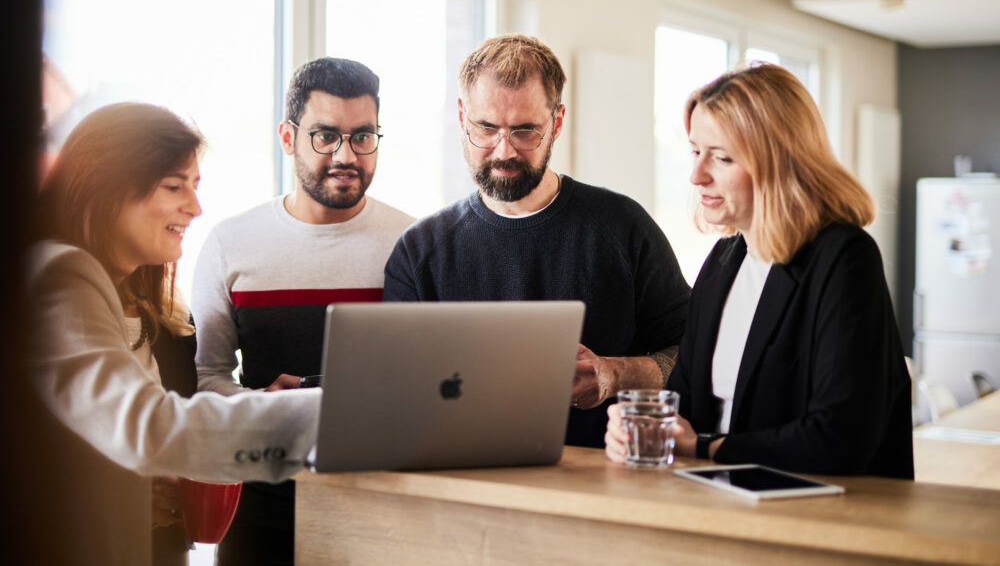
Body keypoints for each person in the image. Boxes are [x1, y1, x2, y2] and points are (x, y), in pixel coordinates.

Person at [29, 103, 322, 566]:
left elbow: (130, 433)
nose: (195, 206)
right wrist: (326, 415)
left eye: (195, 185)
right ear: (106, 185)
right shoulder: (60, 275)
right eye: (174, 185)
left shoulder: (154, 309)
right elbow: (147, 428)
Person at [605, 63, 913, 478]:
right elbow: (684, 402)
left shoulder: (845, 258)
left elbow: (840, 437)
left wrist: (703, 447)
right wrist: (642, 427)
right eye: (696, 152)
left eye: (722, 157)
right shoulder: (723, 262)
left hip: (822, 520)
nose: (697, 175)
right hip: (723, 507)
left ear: (782, 162)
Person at [384, 34, 690, 448]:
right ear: (461, 117)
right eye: (486, 128)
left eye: (525, 130)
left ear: (557, 123)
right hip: (461, 480)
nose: (503, 151)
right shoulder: (420, 251)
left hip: (602, 483)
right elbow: (397, 391)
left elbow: (695, 354)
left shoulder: (622, 226)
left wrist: (614, 374)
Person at [192, 57, 414, 565]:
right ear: (287, 137)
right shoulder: (231, 244)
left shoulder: (413, 243)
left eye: (363, 136)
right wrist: (260, 403)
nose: (346, 155)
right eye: (324, 136)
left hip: (382, 507)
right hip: (260, 507)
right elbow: (207, 377)